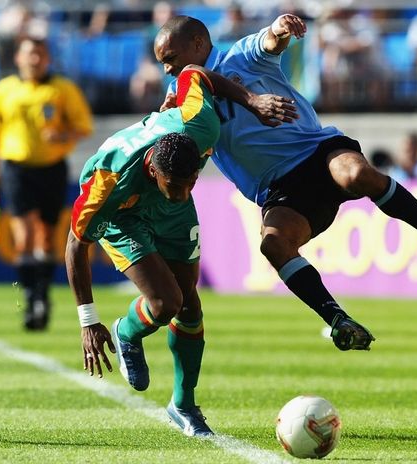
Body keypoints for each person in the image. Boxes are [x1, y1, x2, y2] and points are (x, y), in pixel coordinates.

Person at [155, 15, 417, 352]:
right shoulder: (182, 97)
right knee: (274, 245)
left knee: (356, 175)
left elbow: (270, 41)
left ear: (198, 43)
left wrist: (282, 26)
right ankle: (338, 320)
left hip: (315, 151)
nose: (167, 69)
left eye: (170, 58)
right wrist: (168, 119)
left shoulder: (240, 56)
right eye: (162, 62)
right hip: (280, 189)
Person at [66, 65, 296, 437]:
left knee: (189, 303)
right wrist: (88, 321)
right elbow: (76, 245)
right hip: (125, 214)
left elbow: (194, 74)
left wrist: (251, 100)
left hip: (172, 215)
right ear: (153, 171)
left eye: (191, 183)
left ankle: (183, 405)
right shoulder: (108, 183)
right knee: (165, 304)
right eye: (175, 184)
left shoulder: (201, 126)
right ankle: (127, 332)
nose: (185, 192)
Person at [0, 36, 93, 331]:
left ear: (48, 59)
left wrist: (62, 136)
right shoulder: (4, 90)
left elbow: (83, 126)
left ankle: (43, 294)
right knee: (23, 237)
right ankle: (30, 297)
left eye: (40, 54)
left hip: (51, 168)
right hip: (16, 168)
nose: (34, 59)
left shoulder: (62, 89)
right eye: (29, 54)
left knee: (46, 237)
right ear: (18, 58)